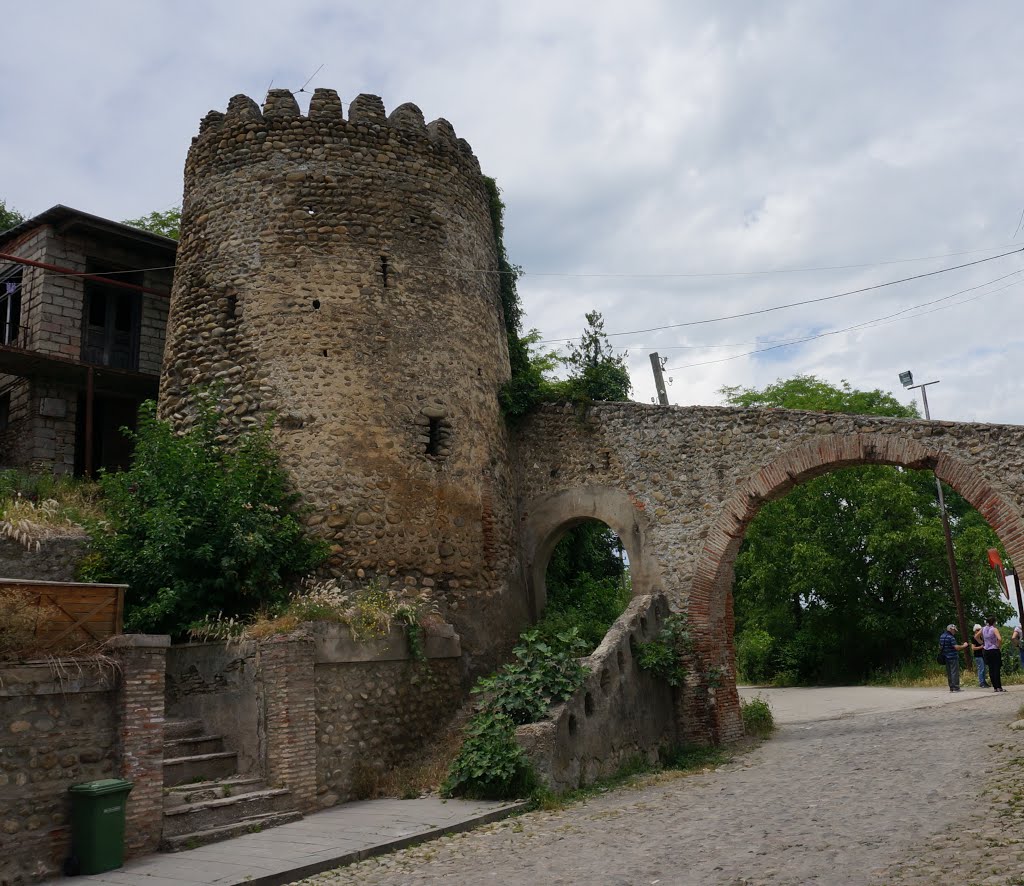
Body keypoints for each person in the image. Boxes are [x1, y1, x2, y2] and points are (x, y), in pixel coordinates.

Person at [939, 624, 969, 692]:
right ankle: (956, 687)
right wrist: (964, 646)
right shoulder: (951, 637)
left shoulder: (942, 636)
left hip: (945, 657)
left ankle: (951, 687)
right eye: (954, 630)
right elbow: (956, 647)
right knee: (954, 672)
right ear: (951, 629)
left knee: (949, 672)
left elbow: (940, 647)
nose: (955, 632)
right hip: (952, 656)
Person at [982, 616, 1006, 692]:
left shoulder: (983, 628)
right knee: (996, 668)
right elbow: (999, 638)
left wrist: (982, 642)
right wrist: (998, 645)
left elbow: (976, 636)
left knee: (991, 669)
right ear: (994, 622)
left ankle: (995, 687)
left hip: (986, 650)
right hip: (994, 650)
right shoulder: (994, 629)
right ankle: (999, 686)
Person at [971, 624, 989, 688]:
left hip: (983, 655)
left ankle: (984, 681)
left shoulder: (982, 637)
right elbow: (973, 648)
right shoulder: (974, 638)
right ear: (975, 631)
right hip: (978, 655)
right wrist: (980, 647)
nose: (979, 631)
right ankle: (981, 682)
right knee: (981, 669)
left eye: (980, 630)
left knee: (984, 669)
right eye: (978, 630)